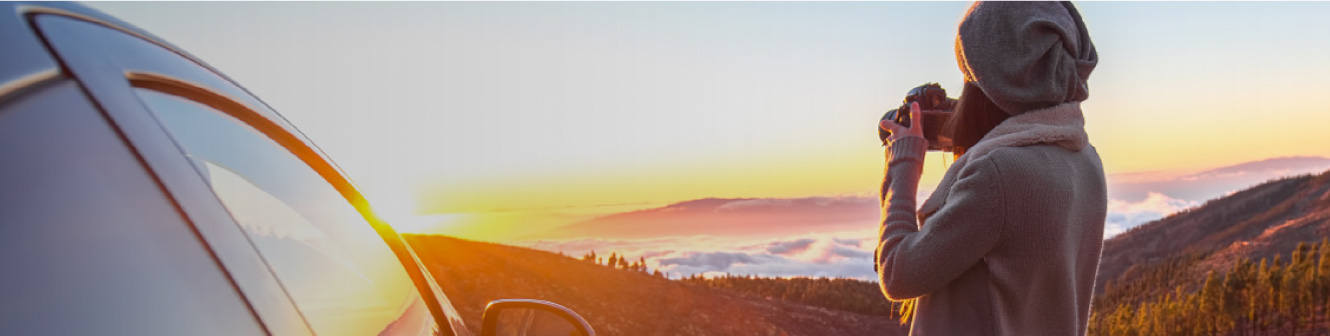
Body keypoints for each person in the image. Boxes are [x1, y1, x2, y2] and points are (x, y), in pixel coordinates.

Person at [875, 2, 1106, 335]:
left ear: (996, 78)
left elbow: (898, 274)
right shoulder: (1085, 160)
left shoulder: (998, 174)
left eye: (969, 73)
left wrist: (903, 164)